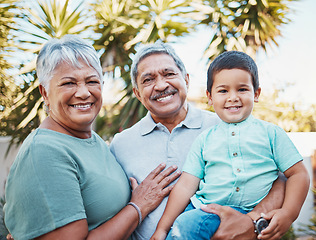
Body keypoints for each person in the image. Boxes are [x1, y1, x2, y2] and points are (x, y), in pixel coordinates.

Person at [4, 35, 181, 240]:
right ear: (45, 92)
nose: (83, 92)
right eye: (69, 83)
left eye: (92, 81)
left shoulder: (92, 140)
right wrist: (138, 206)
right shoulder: (44, 151)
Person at [110, 43, 288, 240]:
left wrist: (252, 222)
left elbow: (279, 179)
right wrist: (139, 205)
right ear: (137, 93)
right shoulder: (120, 144)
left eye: (169, 74)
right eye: (148, 79)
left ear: (186, 80)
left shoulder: (225, 125)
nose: (160, 85)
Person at [151, 51, 310, 240]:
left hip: (253, 214)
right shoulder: (204, 139)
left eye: (242, 89)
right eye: (223, 91)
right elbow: (185, 186)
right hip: (207, 212)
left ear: (256, 93)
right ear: (210, 97)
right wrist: (162, 229)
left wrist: (288, 213)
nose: (232, 97)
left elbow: (298, 174)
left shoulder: (271, 133)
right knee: (184, 227)